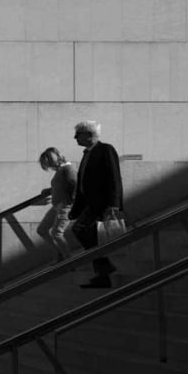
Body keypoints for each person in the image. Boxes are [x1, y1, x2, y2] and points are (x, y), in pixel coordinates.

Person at [68, 120, 126, 282]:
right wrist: (76, 209)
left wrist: (114, 204)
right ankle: (102, 273)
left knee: (80, 229)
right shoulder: (88, 153)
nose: (75, 138)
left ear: (89, 135)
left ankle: (103, 266)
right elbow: (83, 182)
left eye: (78, 134)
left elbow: (114, 177)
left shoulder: (105, 150)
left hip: (101, 204)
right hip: (89, 203)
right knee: (88, 233)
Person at [34, 147, 78, 260]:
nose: (49, 166)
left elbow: (75, 184)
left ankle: (68, 258)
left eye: (48, 162)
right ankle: (60, 254)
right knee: (42, 230)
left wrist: (70, 202)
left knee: (57, 233)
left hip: (65, 206)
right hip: (57, 206)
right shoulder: (61, 170)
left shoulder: (67, 168)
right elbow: (61, 185)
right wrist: (49, 190)